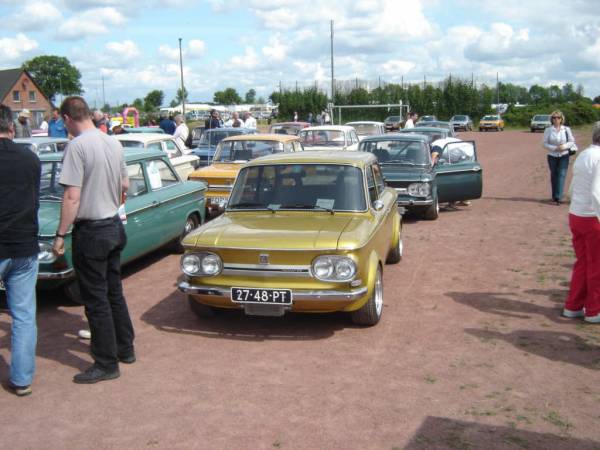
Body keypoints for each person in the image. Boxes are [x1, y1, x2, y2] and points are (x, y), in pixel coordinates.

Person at [53, 96, 135, 384]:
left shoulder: (76, 146)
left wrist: (60, 233)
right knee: (113, 291)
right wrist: (110, 201)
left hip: (92, 230)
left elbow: (72, 196)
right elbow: (125, 184)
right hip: (113, 224)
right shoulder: (112, 141)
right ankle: (125, 348)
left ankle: (105, 362)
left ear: (66, 118)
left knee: (96, 298)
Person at [0, 105, 40, 396]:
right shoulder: (30, 158)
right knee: (24, 315)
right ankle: (22, 378)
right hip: (25, 243)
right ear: (11, 127)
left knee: (24, 314)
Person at [563, 122, 600, 323]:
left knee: (583, 263)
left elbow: (573, 186)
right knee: (597, 265)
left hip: (576, 214)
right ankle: (594, 310)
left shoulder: (584, 154)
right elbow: (596, 191)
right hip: (591, 217)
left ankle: (573, 305)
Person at [544, 110, 576, 205]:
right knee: (554, 175)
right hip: (552, 155)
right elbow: (544, 143)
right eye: (554, 117)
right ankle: (554, 195)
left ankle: (559, 197)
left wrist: (564, 147)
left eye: (558, 117)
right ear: (551, 119)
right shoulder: (548, 130)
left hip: (564, 155)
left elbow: (571, 141)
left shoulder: (566, 129)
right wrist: (554, 148)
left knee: (561, 174)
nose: (556, 119)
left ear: (562, 119)